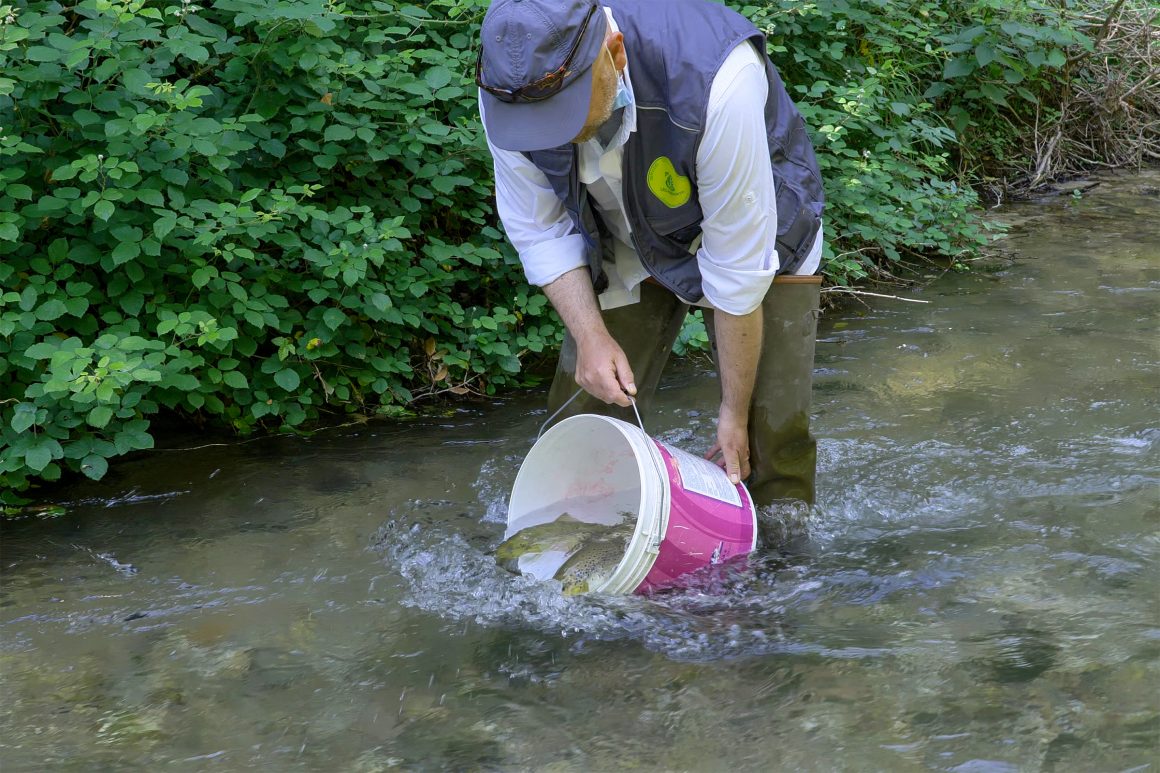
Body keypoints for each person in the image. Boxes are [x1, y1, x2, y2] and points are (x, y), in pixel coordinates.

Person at [476, 0, 825, 508]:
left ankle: (783, 570)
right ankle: (586, 548)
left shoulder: (716, 81)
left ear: (613, 55)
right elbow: (539, 230)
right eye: (537, 121)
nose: (550, 134)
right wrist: (591, 337)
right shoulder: (508, 84)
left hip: (763, 233)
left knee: (767, 443)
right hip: (624, 234)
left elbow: (737, 272)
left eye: (565, 113)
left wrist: (732, 410)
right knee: (584, 423)